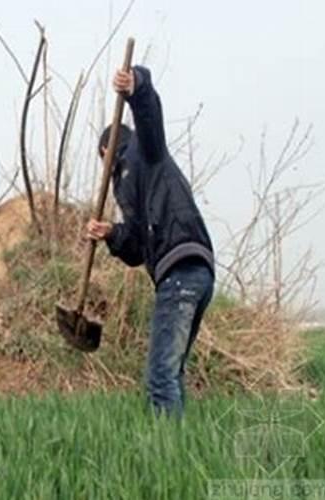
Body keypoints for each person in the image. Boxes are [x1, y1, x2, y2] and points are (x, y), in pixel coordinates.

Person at [86, 66, 215, 416]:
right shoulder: (130, 186)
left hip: (181, 268)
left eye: (104, 160)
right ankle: (180, 450)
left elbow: (149, 116)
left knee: (160, 376)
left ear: (106, 150)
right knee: (171, 372)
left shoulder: (145, 153)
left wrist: (137, 87)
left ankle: (168, 458)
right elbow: (136, 251)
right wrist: (111, 233)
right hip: (193, 272)